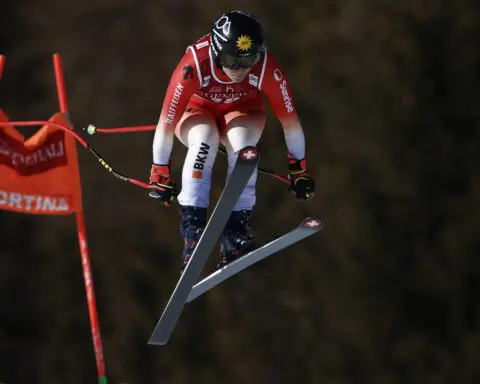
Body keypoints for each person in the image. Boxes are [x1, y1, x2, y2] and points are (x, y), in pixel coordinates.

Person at [149, 10, 315, 271]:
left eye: (249, 60)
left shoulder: (267, 69)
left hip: (244, 110)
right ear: (216, 52)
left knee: (244, 148)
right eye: (231, 60)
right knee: (205, 139)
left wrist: (299, 168)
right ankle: (193, 230)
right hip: (197, 110)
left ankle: (235, 233)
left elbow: (290, 122)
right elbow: (166, 123)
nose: (240, 70)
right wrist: (159, 170)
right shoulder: (194, 65)